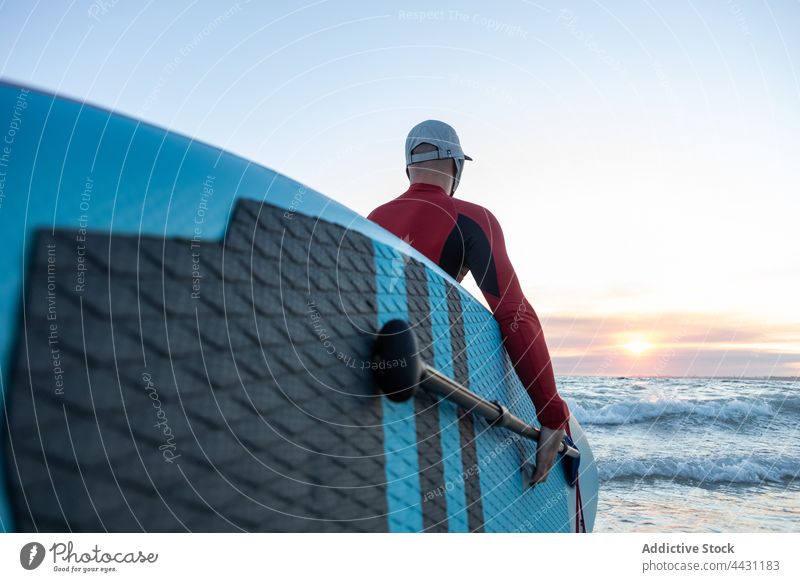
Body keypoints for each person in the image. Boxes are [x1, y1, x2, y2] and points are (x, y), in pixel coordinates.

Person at [368, 120, 570, 485]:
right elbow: (514, 314)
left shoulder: (371, 221)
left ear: (409, 166)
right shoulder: (473, 219)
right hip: (431, 392)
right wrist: (552, 414)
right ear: (457, 164)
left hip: (376, 383)